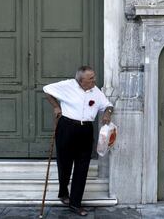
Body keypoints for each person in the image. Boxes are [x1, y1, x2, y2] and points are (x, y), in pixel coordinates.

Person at [43, 66, 113, 216]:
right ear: (80, 81)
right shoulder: (68, 85)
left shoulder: (96, 91)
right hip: (67, 127)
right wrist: (56, 107)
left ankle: (75, 203)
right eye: (91, 78)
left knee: (82, 166)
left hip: (86, 130)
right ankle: (63, 192)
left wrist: (107, 113)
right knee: (64, 164)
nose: (94, 80)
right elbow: (46, 89)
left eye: (94, 77)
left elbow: (108, 105)